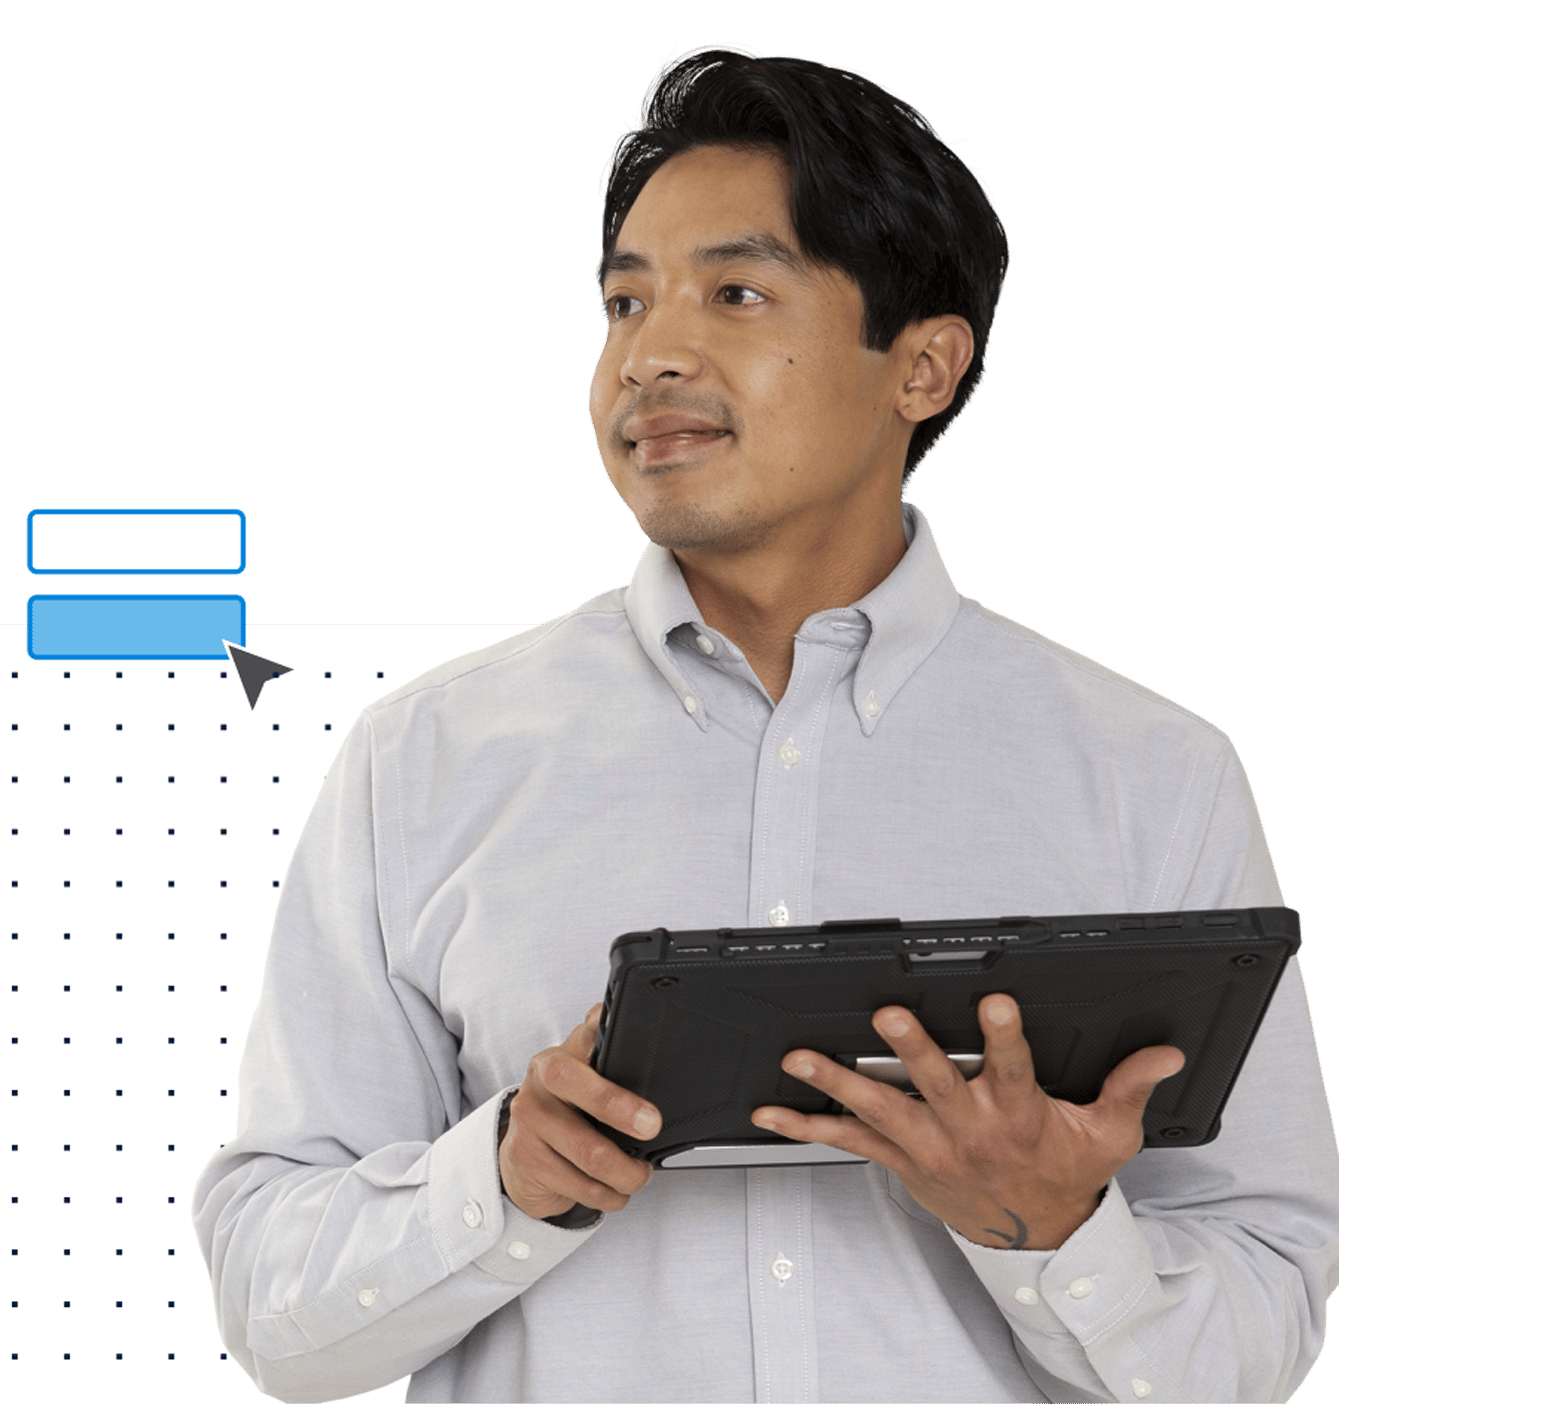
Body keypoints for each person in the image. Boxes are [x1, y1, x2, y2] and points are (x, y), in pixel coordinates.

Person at [192, 42, 1337, 1404]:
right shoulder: (423, 760)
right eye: (625, 303)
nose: (649, 356)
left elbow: (1265, 1313)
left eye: (735, 292)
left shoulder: (1153, 774)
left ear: (924, 366)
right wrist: (501, 1182)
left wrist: (1055, 1230)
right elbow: (274, 1310)